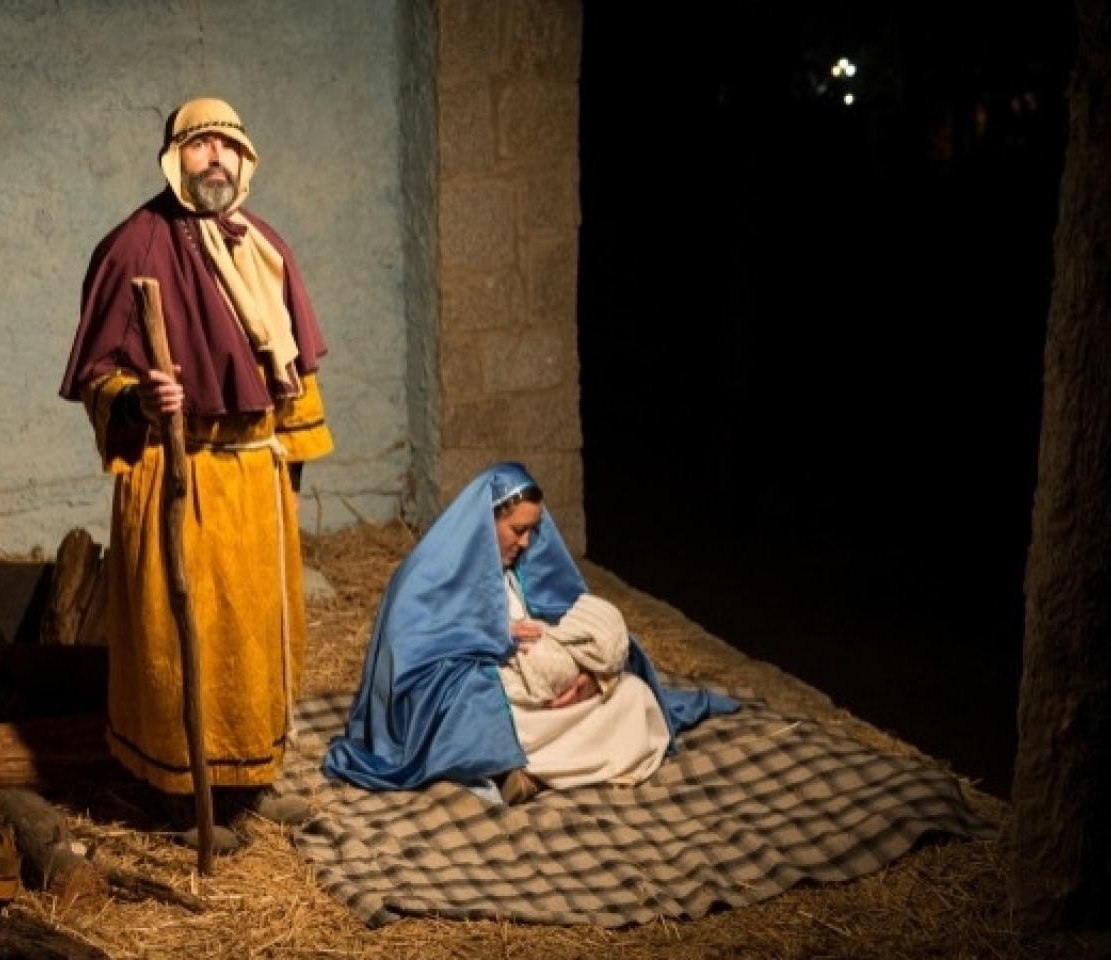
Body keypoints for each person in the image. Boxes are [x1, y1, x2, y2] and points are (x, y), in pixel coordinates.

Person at [59, 97, 333, 847]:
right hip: (176, 472)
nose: (215, 158)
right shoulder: (134, 249)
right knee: (186, 645)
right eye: (199, 145)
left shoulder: (265, 247)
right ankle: (183, 798)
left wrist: (293, 468)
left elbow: (296, 370)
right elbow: (97, 378)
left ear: (244, 160)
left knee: (257, 642)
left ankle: (248, 783)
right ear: (173, 158)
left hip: (254, 479)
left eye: (227, 146)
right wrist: (142, 399)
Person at [323, 463, 736, 804]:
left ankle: (527, 775)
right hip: (486, 703)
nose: (524, 543)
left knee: (635, 698)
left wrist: (592, 681)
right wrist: (492, 639)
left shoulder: (522, 573)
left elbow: (570, 622)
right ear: (487, 523)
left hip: (550, 707)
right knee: (473, 710)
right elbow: (411, 664)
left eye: (531, 532)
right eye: (516, 530)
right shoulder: (428, 573)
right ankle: (517, 764)